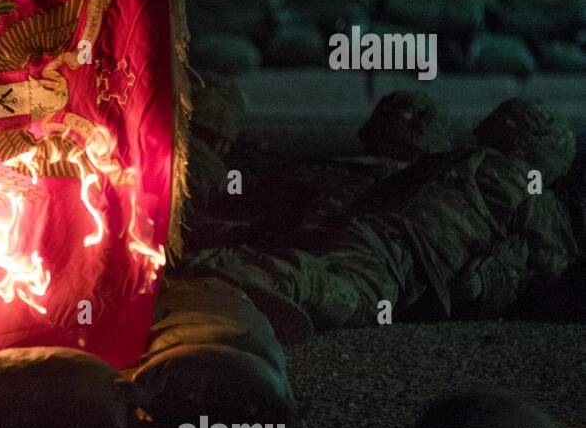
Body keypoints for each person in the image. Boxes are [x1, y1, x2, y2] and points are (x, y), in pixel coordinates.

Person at [186, 98, 582, 342]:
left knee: (317, 268)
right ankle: (213, 279)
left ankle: (204, 270)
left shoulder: (453, 161)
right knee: (340, 294)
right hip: (400, 257)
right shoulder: (526, 190)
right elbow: (552, 264)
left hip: (366, 233)